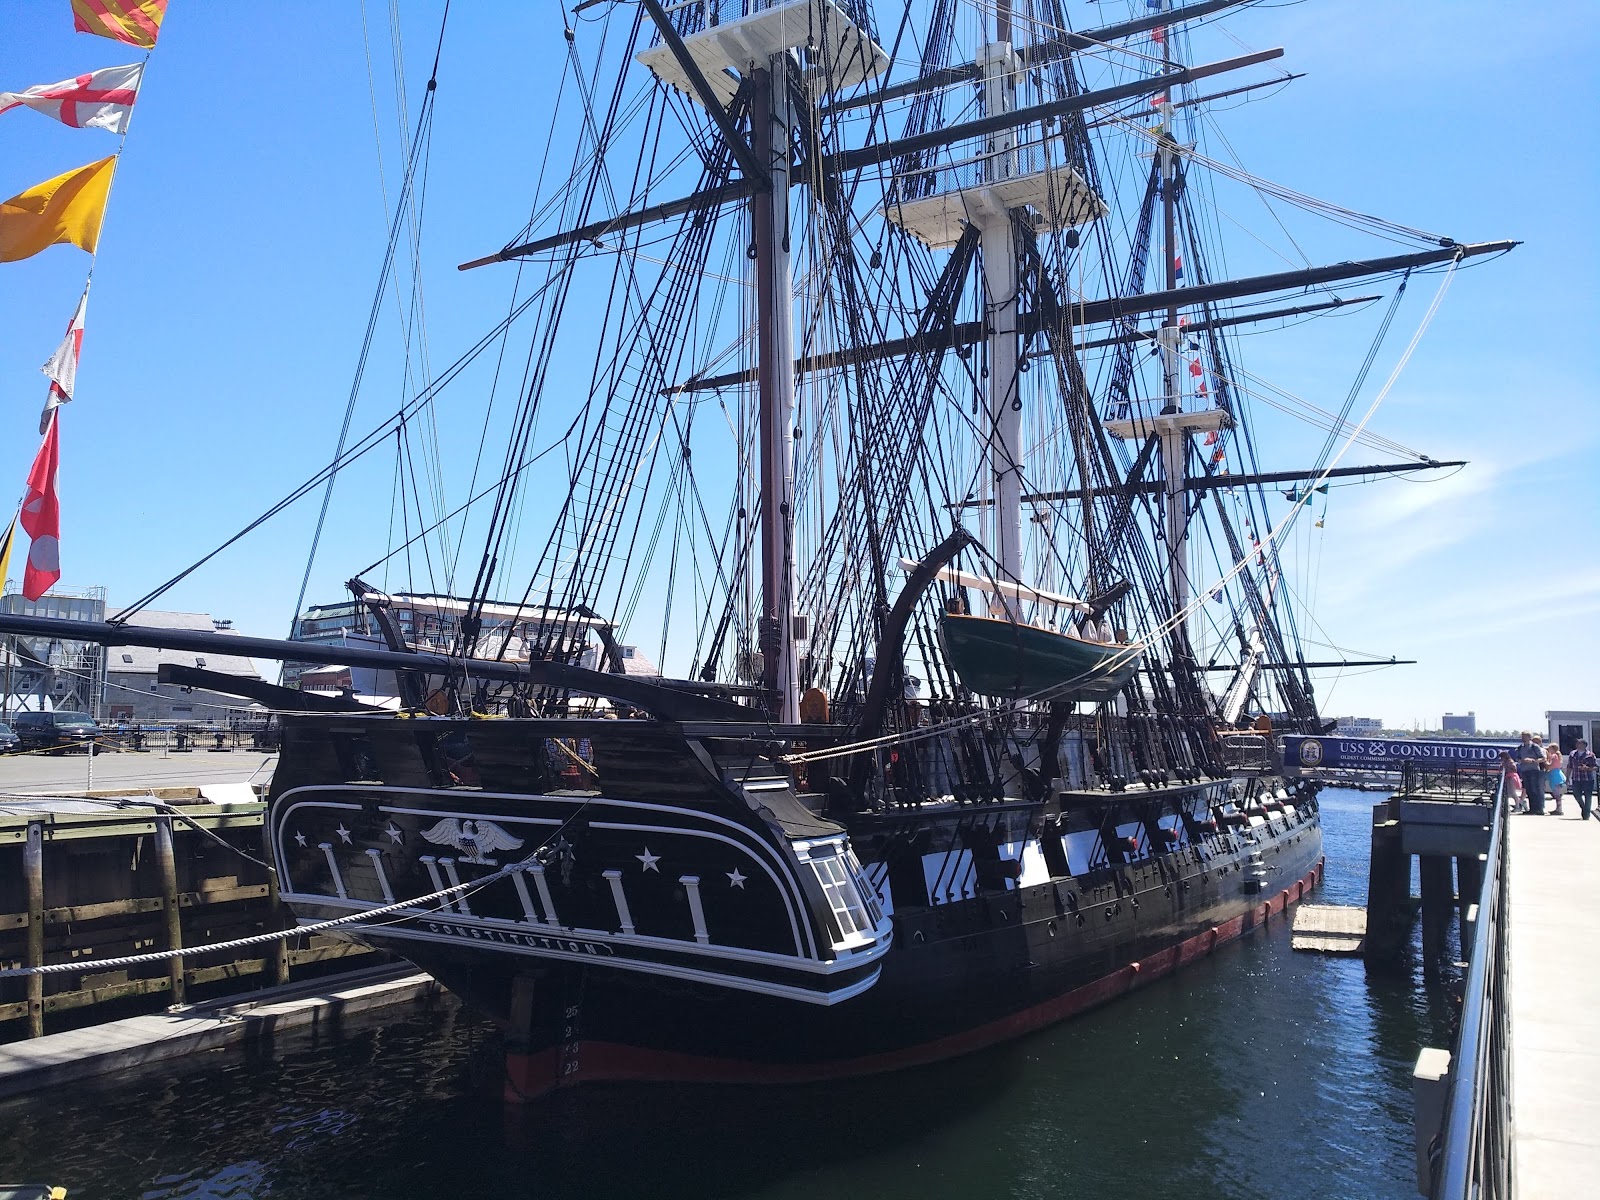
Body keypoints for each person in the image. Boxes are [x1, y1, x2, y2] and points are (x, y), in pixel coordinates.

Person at [1515, 731, 1547, 815]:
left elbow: (1543, 758)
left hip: (1534, 770)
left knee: (1535, 790)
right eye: (1522, 736)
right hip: (1525, 770)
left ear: (1529, 737)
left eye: (1525, 736)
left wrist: (1533, 761)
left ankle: (1539, 809)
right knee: (1528, 790)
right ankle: (1532, 809)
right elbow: (1517, 759)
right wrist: (1522, 760)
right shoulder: (1520, 748)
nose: (1522, 738)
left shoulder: (1534, 746)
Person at [1569, 739, 1597, 821]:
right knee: (1576, 795)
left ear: (1585, 745)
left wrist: (1587, 768)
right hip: (1576, 778)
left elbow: (1596, 767)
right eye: (1577, 743)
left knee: (1588, 796)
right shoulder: (1572, 754)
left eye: (1580, 744)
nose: (1578, 745)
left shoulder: (1590, 755)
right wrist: (1567, 777)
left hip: (1587, 779)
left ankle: (1586, 814)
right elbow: (1569, 766)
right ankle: (1584, 808)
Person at [1545, 740, 1567, 816]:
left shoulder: (1554, 756)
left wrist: (1546, 762)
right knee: (1557, 793)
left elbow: (1550, 765)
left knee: (1556, 793)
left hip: (1554, 774)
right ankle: (1558, 808)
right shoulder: (1558, 756)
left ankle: (1559, 809)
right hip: (1557, 773)